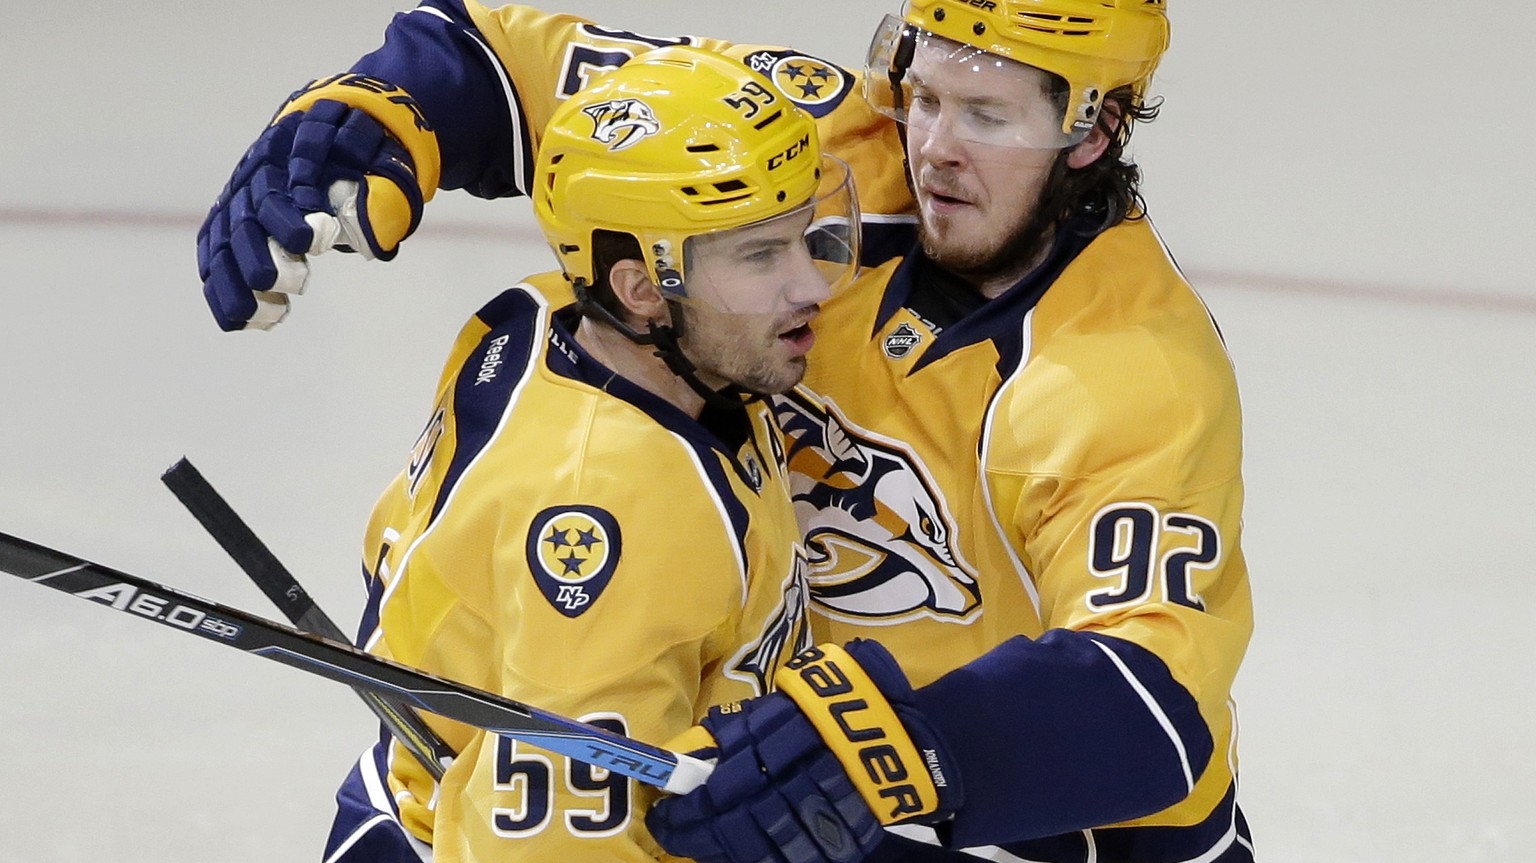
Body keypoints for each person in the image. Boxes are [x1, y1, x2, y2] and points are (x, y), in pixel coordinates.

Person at [197, 2, 1256, 861]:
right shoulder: (810, 144)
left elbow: (1149, 696)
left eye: (986, 118)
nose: (931, 148)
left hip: (1014, 824)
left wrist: (889, 743)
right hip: (753, 753)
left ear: (1095, 128)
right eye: (923, 93)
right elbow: (512, 67)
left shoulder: (1125, 369)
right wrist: (369, 112)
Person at [307, 45, 862, 862]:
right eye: (759, 255)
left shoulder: (539, 316)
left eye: (801, 237)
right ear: (642, 289)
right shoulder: (621, 506)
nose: (809, 284)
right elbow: (555, 843)